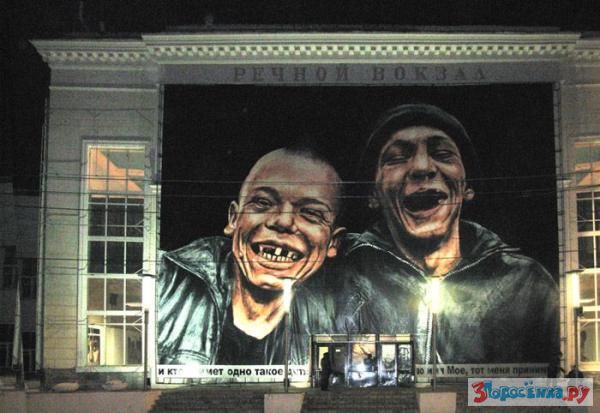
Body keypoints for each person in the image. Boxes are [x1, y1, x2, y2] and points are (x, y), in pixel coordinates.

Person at [335, 104, 559, 366]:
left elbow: (552, 377)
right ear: (373, 194)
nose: (422, 167)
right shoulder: (343, 278)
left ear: (467, 187)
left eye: (442, 154)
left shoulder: (527, 284)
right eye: (397, 157)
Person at [158, 147, 345, 366]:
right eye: (263, 202)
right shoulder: (164, 283)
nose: (283, 221)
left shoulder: (338, 320)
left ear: (333, 242)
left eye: (311, 213)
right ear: (233, 219)